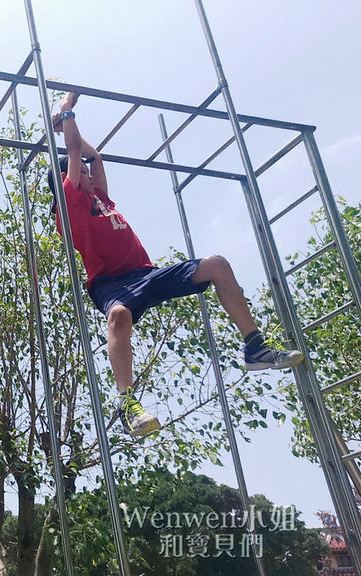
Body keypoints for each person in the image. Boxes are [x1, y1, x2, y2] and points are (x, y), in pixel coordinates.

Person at [47, 92, 304, 437]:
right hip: (111, 283)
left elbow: (92, 155)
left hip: (146, 274)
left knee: (217, 265)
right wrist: (65, 113)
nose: (91, 174)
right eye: (82, 173)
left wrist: (65, 120)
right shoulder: (68, 204)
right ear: (68, 180)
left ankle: (255, 346)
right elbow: (76, 151)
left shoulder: (99, 197)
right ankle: (127, 404)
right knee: (119, 316)